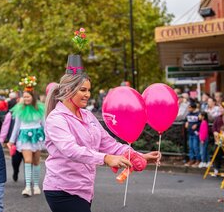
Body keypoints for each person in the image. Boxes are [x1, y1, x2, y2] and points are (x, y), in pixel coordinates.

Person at [43, 57, 161, 212]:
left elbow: (109, 144)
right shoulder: (56, 118)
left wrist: (137, 155)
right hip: (62, 189)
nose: (87, 94)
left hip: (85, 189)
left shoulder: (87, 116)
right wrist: (106, 158)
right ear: (67, 90)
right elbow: (70, 150)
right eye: (82, 90)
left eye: (88, 90)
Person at [7, 78, 46, 197]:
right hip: (24, 137)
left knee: (36, 161)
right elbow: (16, 126)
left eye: (28, 96)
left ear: (33, 97)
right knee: (28, 161)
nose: (26, 99)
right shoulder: (20, 109)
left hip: (37, 136)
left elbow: (44, 124)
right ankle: (28, 186)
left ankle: (35, 186)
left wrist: (49, 138)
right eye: (24, 97)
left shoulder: (40, 108)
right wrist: (11, 141)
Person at [184, 101, 201, 167]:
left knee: (195, 147)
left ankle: (198, 159)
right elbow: (186, 120)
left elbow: (201, 122)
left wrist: (197, 125)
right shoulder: (188, 114)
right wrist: (186, 123)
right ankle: (191, 159)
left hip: (196, 133)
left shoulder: (198, 114)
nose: (189, 109)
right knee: (191, 147)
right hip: (190, 132)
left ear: (193, 108)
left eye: (190, 107)